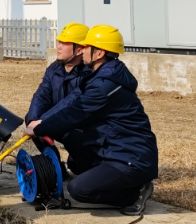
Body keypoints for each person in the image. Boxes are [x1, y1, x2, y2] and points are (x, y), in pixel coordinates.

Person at [24, 25, 158, 216]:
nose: (83, 50)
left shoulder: (105, 85)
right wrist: (39, 121)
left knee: (78, 190)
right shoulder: (102, 76)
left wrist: (39, 128)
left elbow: (76, 112)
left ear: (99, 53)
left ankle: (135, 192)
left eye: (86, 47)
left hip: (131, 157)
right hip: (113, 147)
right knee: (75, 157)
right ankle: (109, 178)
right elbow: (72, 101)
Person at [25, 22, 89, 165]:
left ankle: (85, 163)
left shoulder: (88, 74)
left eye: (65, 43)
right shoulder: (54, 69)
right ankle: (54, 164)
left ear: (79, 50)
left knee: (77, 162)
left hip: (81, 126)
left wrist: (43, 122)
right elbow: (41, 95)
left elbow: (73, 102)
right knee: (31, 117)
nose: (58, 46)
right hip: (59, 120)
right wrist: (34, 119)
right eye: (59, 41)